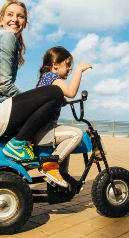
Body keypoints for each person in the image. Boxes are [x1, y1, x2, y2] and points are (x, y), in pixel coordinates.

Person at [0, 0, 64, 162]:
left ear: (25, 23)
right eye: (10, 15)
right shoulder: (6, 37)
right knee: (55, 92)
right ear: (1, 19)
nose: (15, 19)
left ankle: (23, 143)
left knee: (46, 99)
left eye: (20, 16)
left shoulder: (5, 40)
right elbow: (2, 83)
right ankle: (18, 144)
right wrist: (33, 104)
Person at [34, 46, 92, 187]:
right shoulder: (51, 77)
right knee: (75, 134)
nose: (69, 69)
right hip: (43, 131)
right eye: (67, 65)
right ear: (55, 65)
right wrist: (79, 70)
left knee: (65, 138)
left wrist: (60, 100)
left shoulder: (45, 79)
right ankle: (50, 166)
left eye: (71, 67)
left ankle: (62, 174)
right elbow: (71, 92)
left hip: (41, 129)